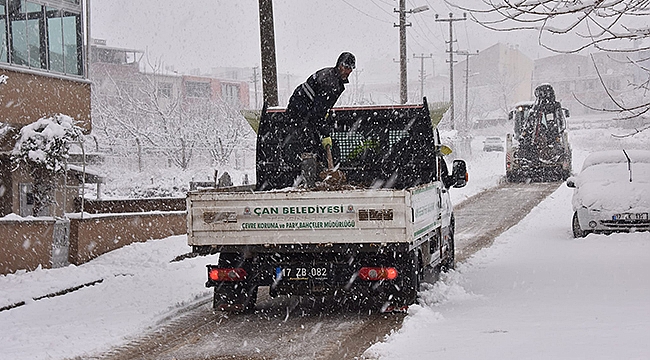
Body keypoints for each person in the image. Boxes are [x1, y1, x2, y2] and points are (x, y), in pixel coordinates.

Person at [285, 52, 356, 185]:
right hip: (299, 113)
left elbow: (321, 109)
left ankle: (321, 173)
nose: (348, 71)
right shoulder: (330, 82)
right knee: (311, 145)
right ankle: (309, 181)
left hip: (305, 110)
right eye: (346, 67)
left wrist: (325, 117)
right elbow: (317, 113)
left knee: (317, 143)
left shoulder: (334, 78)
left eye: (351, 68)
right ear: (339, 65)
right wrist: (325, 133)